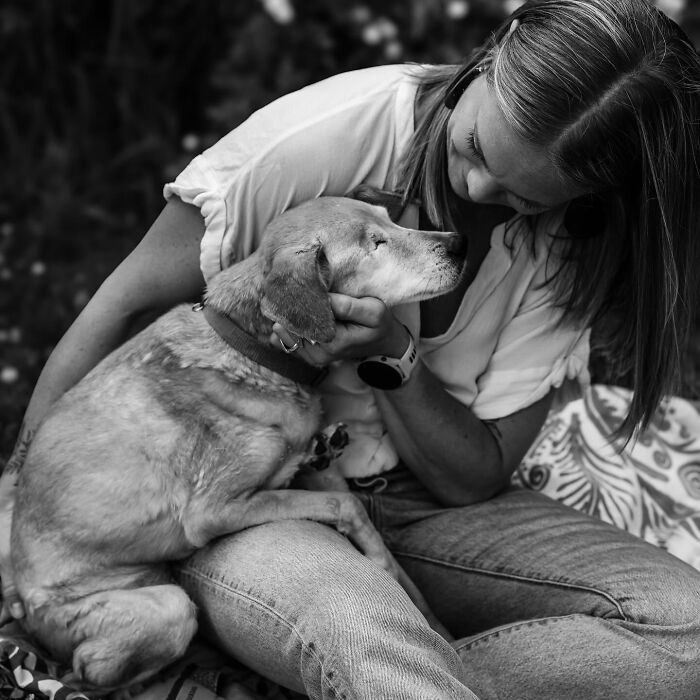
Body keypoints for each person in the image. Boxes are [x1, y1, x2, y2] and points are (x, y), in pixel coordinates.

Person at [2, 0, 700, 697]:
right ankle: (370, 666)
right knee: (367, 631)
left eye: (525, 198)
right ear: (490, 58)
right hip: (245, 498)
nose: (479, 190)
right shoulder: (324, 136)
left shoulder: (580, 242)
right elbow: (129, 306)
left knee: (687, 630)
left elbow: (472, 475)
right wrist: (20, 516)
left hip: (428, 504)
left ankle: (368, 678)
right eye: (480, 151)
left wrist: (395, 354)